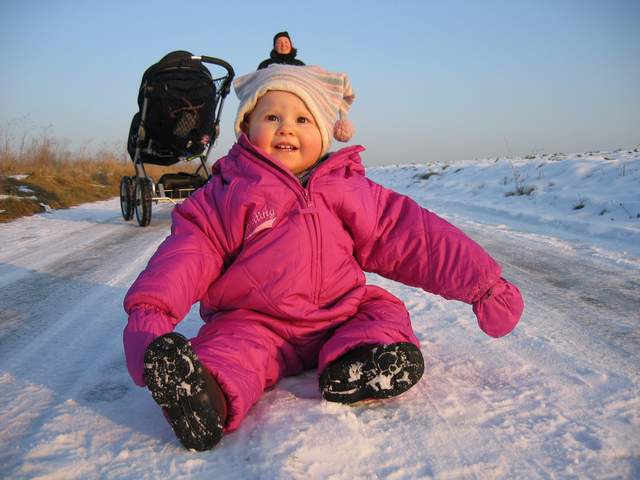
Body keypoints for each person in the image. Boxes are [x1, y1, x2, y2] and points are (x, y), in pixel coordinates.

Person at [123, 65, 525, 451]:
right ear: (247, 127)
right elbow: (188, 254)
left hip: (340, 312)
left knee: (382, 311)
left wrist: (483, 285)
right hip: (255, 321)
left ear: (324, 133)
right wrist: (150, 315)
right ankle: (201, 396)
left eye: (303, 119)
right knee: (229, 351)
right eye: (272, 117)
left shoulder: (348, 188)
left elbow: (413, 237)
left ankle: (364, 361)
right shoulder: (227, 193)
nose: (286, 128)